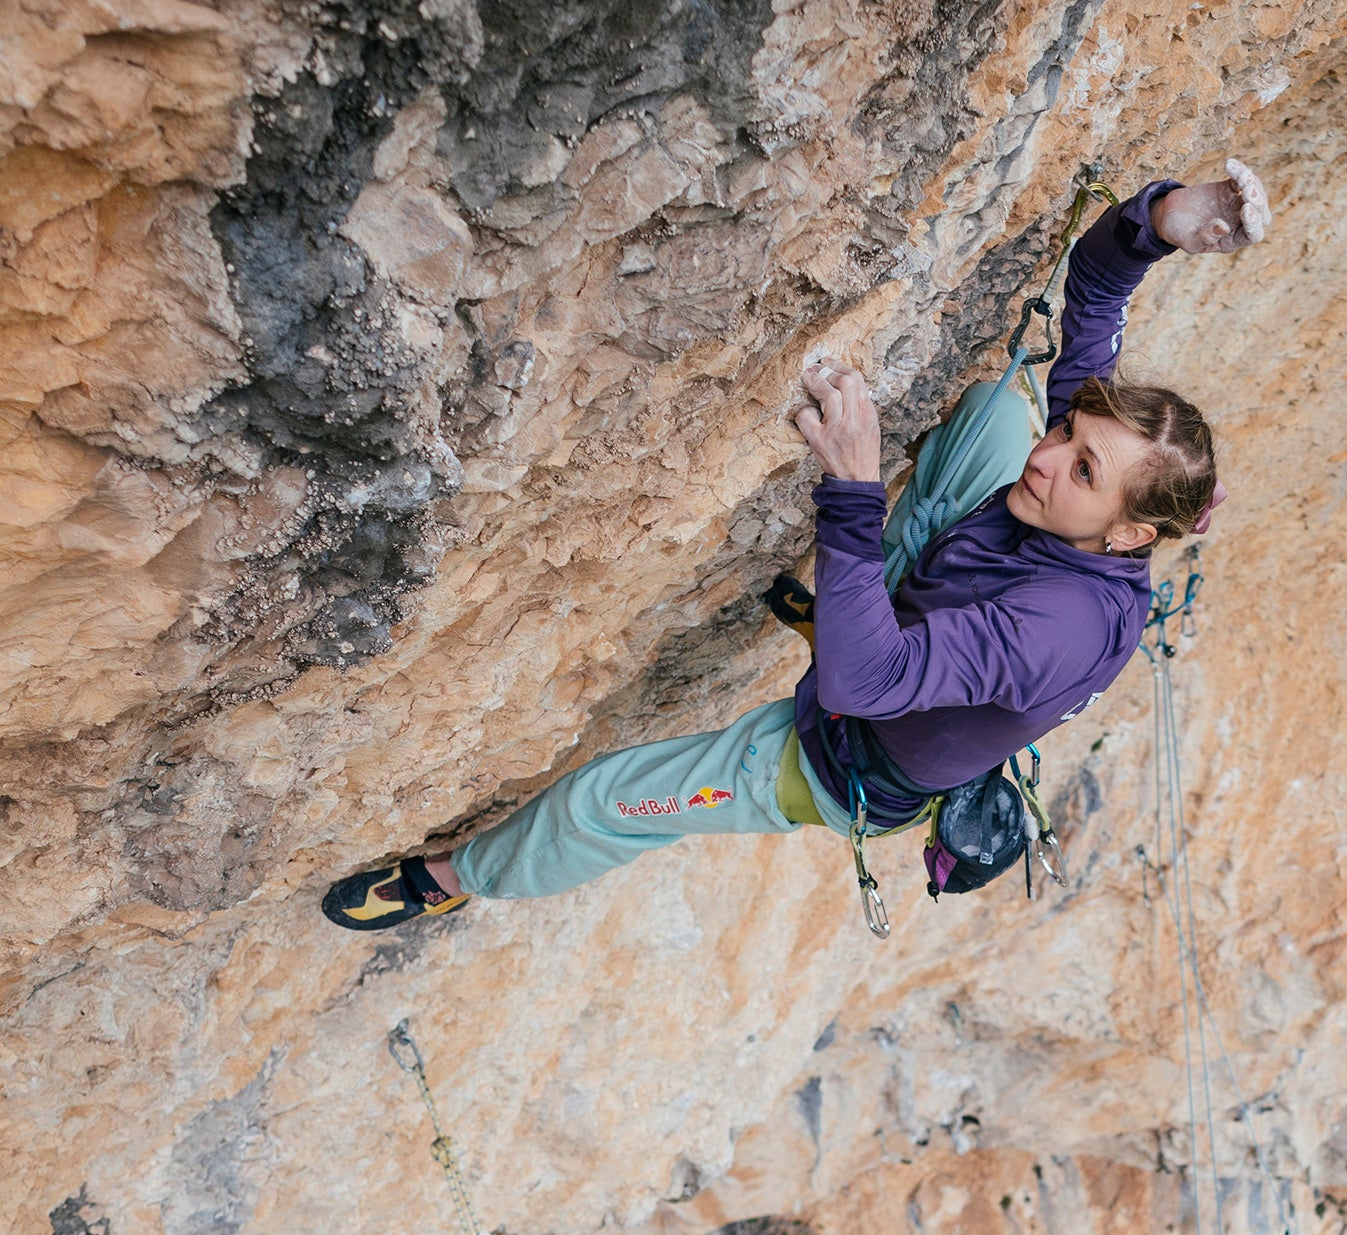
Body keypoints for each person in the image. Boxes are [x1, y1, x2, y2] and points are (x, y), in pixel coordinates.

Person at [319, 163, 1271, 931]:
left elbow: (866, 685)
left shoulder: (1059, 626)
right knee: (995, 414)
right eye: (1071, 437)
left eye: (1085, 470)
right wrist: (1163, 221)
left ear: (1133, 533)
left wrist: (854, 484)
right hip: (929, 610)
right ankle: (853, 609)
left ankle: (453, 877)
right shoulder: (1092, 503)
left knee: (600, 802)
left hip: (841, 749)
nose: (1052, 456)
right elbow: (1097, 293)